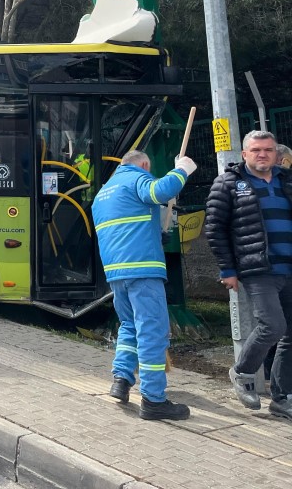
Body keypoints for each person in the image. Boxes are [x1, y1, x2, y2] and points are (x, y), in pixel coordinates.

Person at [92, 149, 196, 421]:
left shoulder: (103, 194)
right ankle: (153, 399)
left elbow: (125, 228)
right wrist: (181, 169)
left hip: (116, 272)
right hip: (142, 269)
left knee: (129, 325)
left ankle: (121, 380)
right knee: (153, 331)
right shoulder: (136, 178)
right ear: (144, 165)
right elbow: (160, 191)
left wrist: (153, 234)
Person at [204, 130, 292, 420]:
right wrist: (227, 269)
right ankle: (242, 373)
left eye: (268, 150)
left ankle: (282, 398)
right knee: (273, 326)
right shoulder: (229, 183)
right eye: (256, 150)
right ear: (244, 154)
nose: (263, 154)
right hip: (257, 269)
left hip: (289, 267)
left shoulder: (286, 179)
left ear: (276, 154)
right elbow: (215, 229)